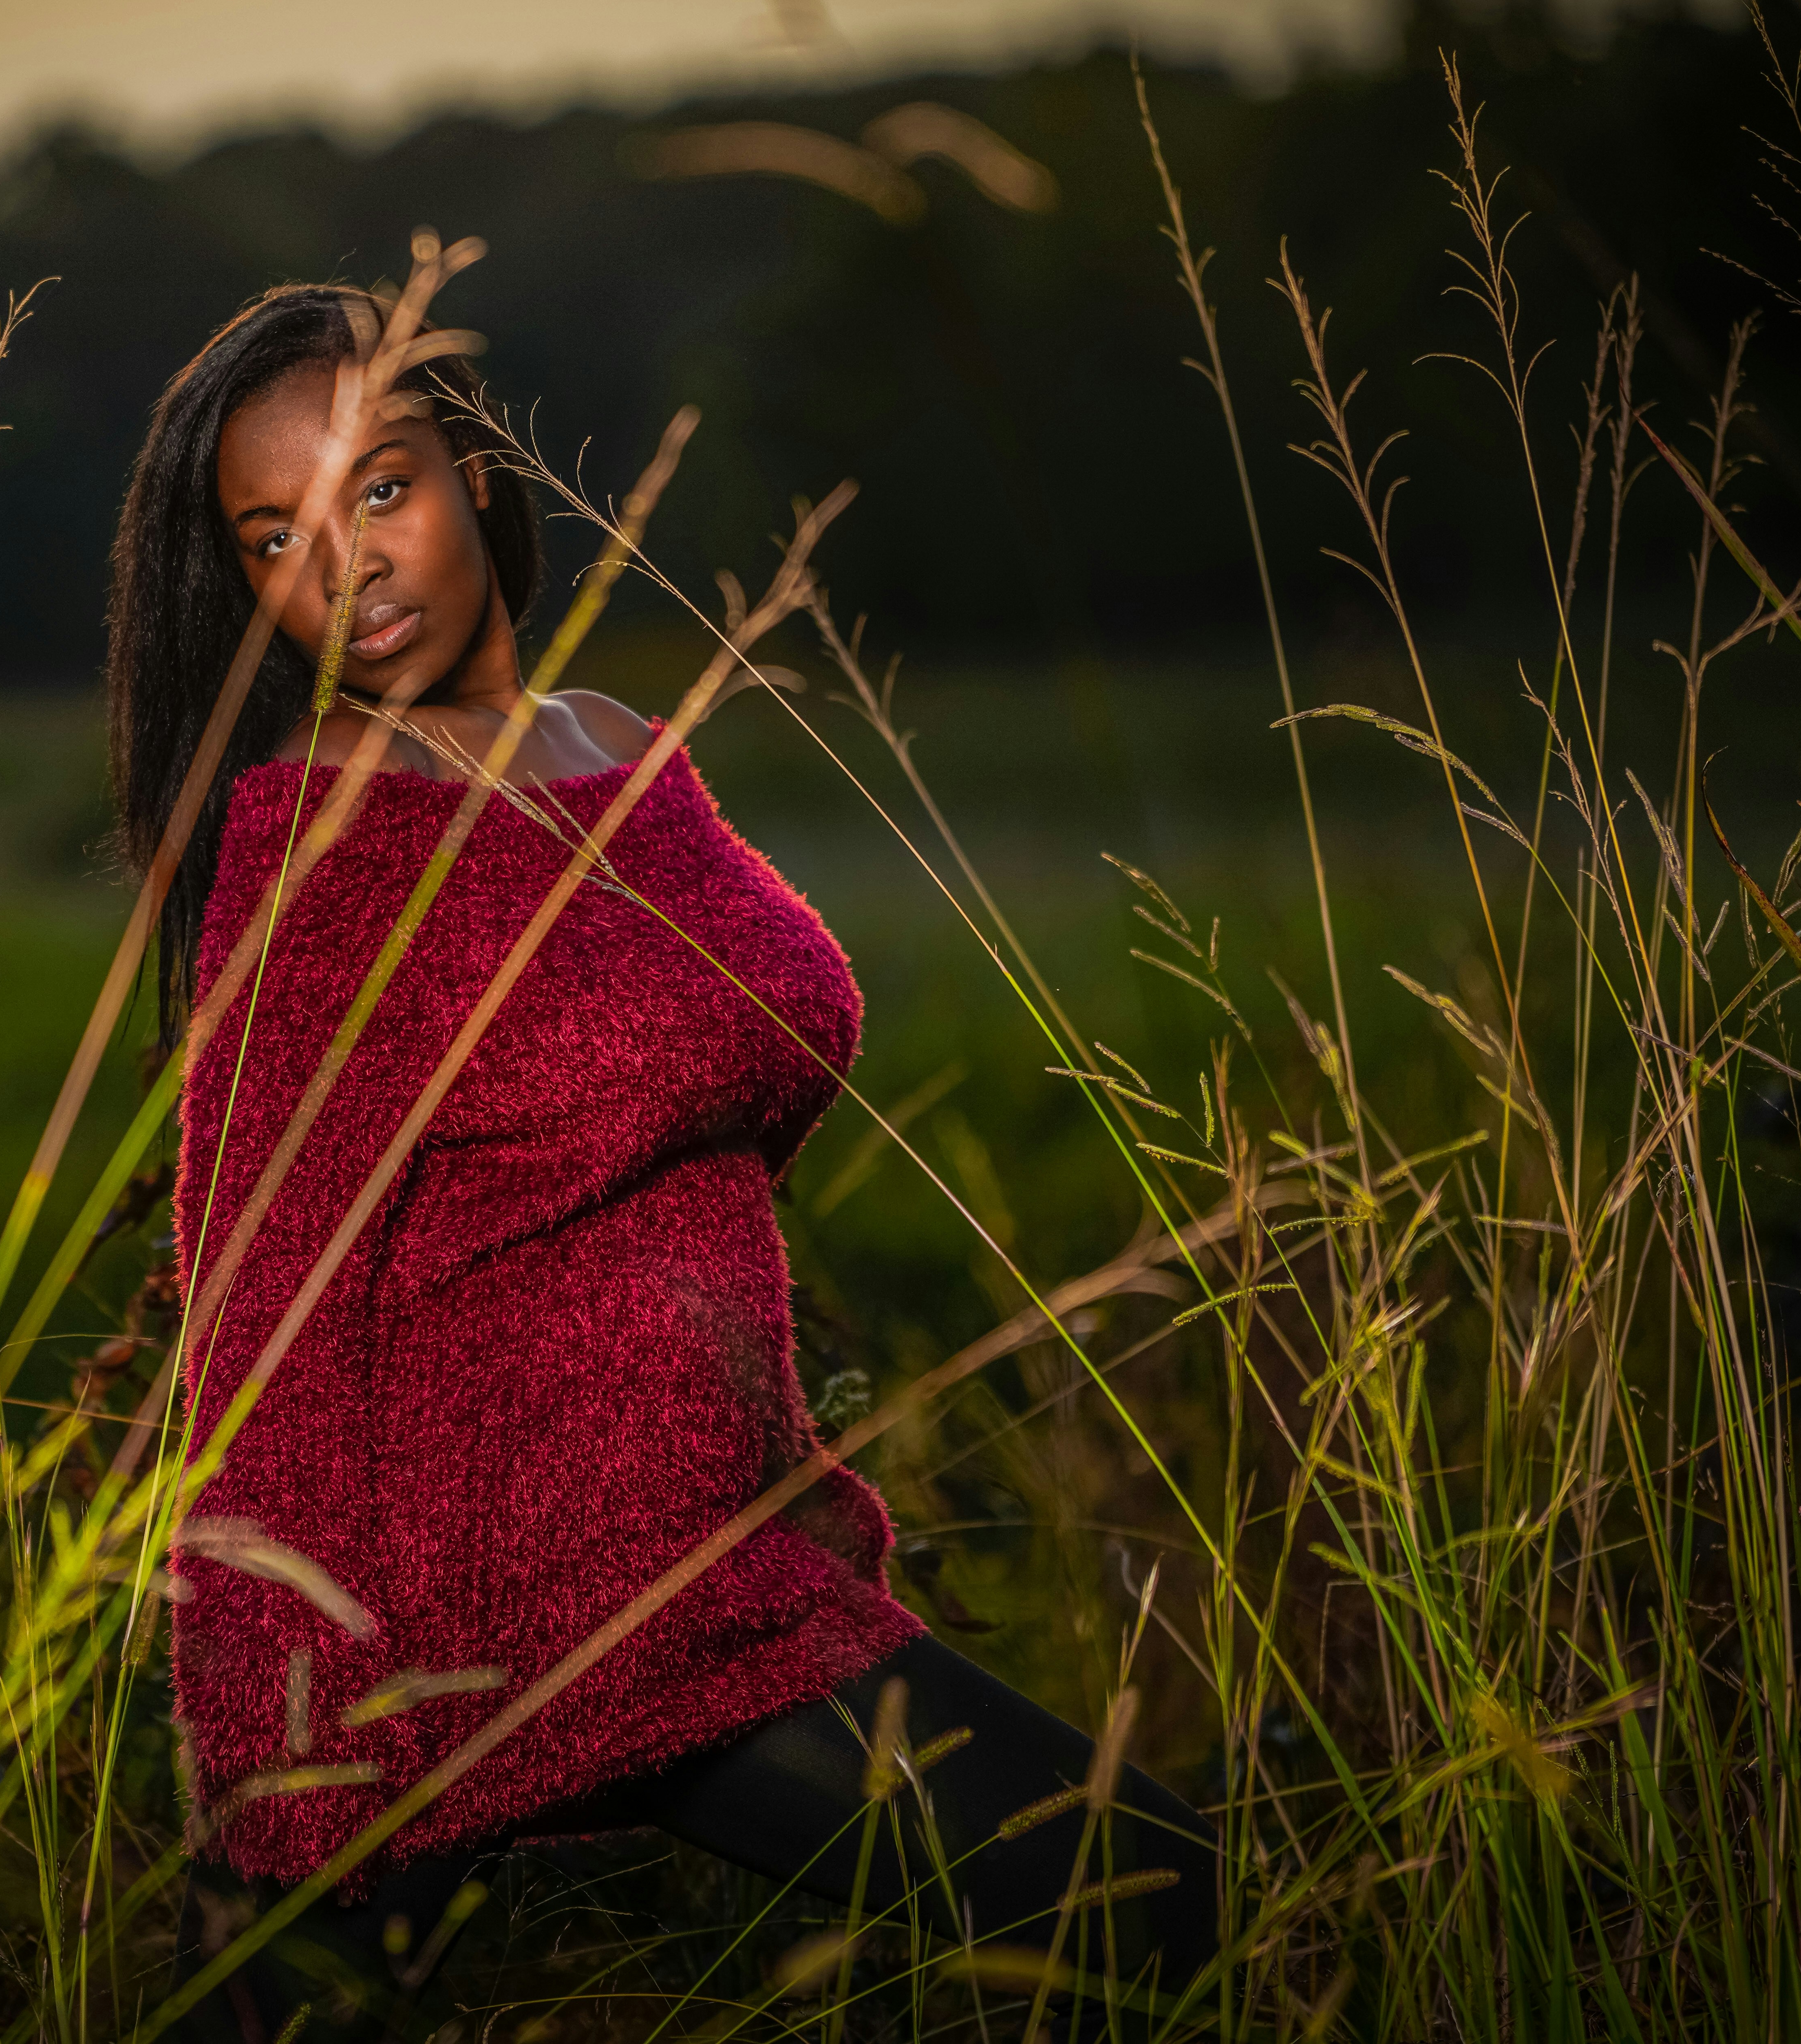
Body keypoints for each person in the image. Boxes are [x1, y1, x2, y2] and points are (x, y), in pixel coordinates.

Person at [102, 283, 1216, 2040]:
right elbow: (265, 1328)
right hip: (511, 1614)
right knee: (1140, 1893)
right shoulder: (313, 839)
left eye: (378, 489)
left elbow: (736, 1078)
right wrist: (278, 1779)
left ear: (474, 473)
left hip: (724, 1559)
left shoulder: (616, 751)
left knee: (1137, 1899)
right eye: (275, 536)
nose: (350, 569)